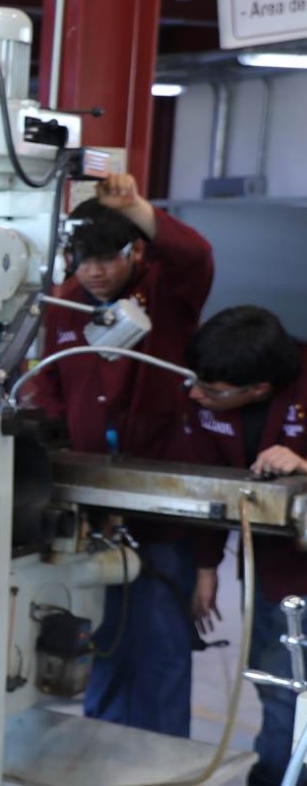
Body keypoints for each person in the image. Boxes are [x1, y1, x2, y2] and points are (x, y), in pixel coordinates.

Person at [24, 173, 216, 737]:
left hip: (161, 505)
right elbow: (47, 385)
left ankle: (164, 764)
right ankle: (100, 749)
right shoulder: (62, 306)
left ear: (134, 252)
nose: (95, 272)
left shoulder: (167, 292)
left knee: (159, 647)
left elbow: (197, 255)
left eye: (107, 259)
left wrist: (134, 206)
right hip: (90, 502)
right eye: (83, 261)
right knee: (101, 640)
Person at [164, 306, 307, 786]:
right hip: (274, 571)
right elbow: (208, 487)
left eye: (212, 391)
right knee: (277, 685)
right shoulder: (207, 396)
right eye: (195, 381)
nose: (195, 394)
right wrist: (206, 567)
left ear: (260, 389)